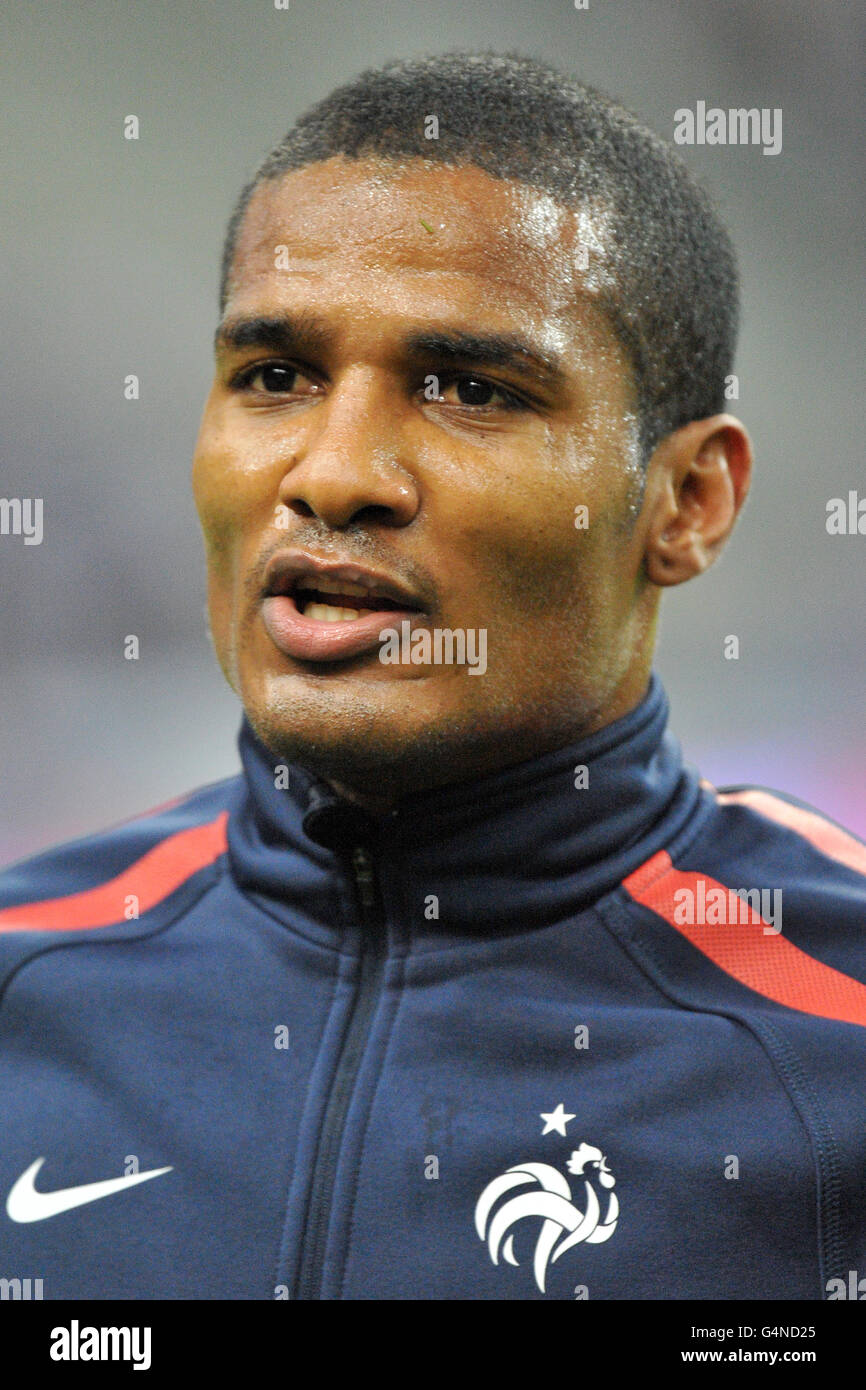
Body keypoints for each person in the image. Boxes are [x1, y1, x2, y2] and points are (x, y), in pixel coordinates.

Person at [2, 50, 864, 1302]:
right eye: (274, 376)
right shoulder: (25, 983)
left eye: (469, 388)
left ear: (685, 501)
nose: (334, 473)